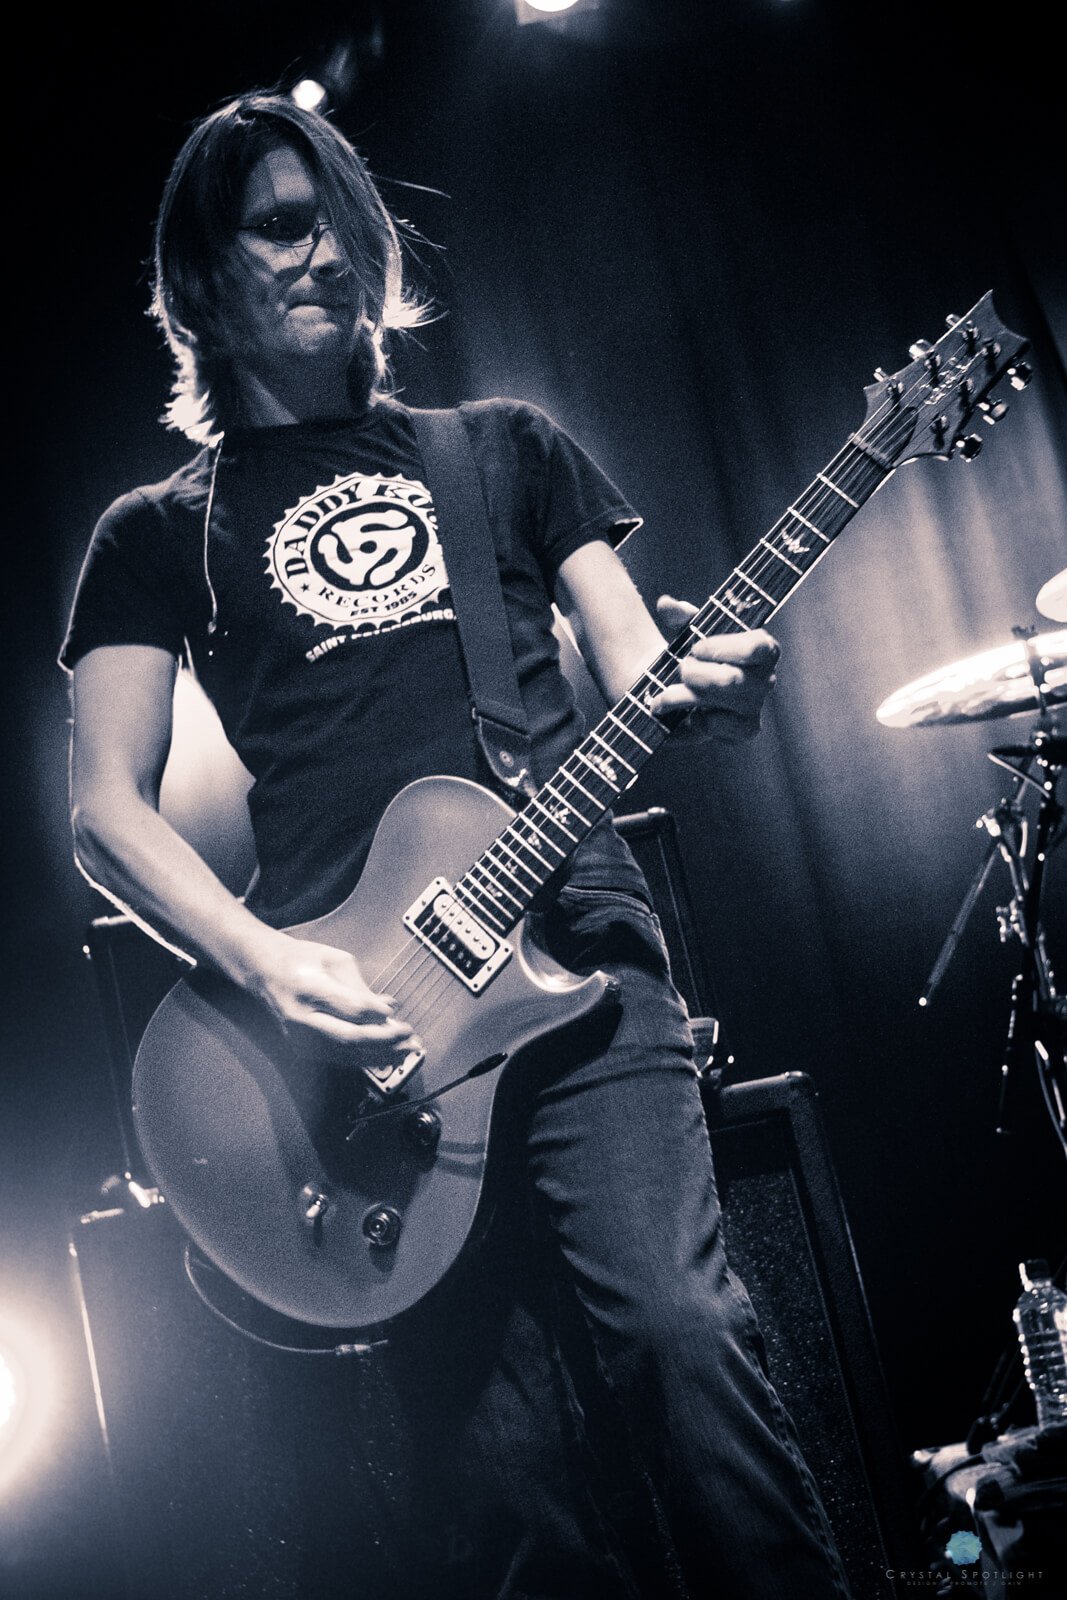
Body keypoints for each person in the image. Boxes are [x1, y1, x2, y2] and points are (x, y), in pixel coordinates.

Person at [61, 92, 851, 1600]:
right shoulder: (156, 531)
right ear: (201, 281)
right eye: (281, 228)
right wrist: (270, 967)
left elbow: (642, 672)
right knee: (501, 1483)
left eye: (345, 226)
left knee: (682, 1339)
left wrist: (716, 688)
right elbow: (105, 809)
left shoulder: (503, 449)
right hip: (361, 1033)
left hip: (578, 948)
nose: (327, 255)